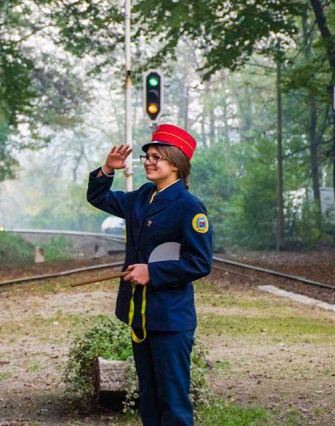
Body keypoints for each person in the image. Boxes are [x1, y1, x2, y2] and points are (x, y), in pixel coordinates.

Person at [86, 123, 213, 426]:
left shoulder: (189, 207)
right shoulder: (143, 197)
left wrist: (152, 272)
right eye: (147, 156)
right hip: (140, 314)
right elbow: (99, 198)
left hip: (171, 319)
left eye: (157, 156)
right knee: (150, 399)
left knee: (173, 401)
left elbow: (200, 262)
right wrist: (107, 169)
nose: (149, 162)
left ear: (177, 163)